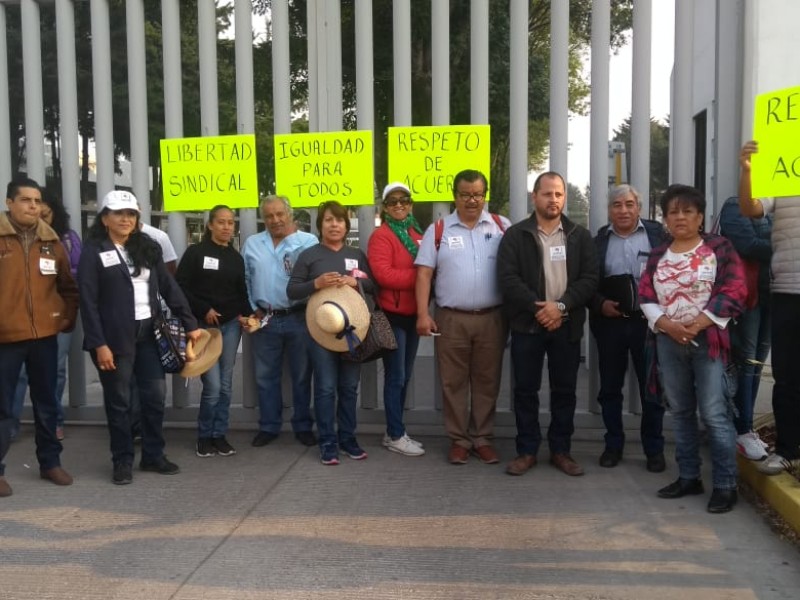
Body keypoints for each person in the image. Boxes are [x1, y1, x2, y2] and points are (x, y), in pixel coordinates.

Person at [78, 190, 201, 485]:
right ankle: (122, 461)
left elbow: (169, 287)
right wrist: (99, 344)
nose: (125, 219)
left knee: (155, 397)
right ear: (105, 217)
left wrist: (190, 322)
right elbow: (88, 301)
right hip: (114, 339)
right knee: (119, 402)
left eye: (130, 214)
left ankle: (153, 456)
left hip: (150, 333)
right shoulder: (94, 250)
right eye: (118, 213)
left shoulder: (147, 247)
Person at [639, 184, 745, 514]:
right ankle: (688, 476)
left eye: (688, 211)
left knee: (714, 414)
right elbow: (645, 295)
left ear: (700, 216)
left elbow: (735, 289)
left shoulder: (720, 248)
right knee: (681, 412)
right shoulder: (658, 253)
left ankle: (726, 485)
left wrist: (697, 324)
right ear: (665, 218)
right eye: (674, 212)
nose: (680, 217)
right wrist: (669, 327)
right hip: (669, 342)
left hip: (708, 342)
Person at [498, 171, 598, 477]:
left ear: (564, 197)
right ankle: (527, 450)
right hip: (528, 326)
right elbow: (507, 278)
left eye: (558, 194)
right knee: (525, 390)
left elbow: (590, 279)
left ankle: (561, 450)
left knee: (564, 390)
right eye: (547, 194)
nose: (553, 199)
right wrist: (538, 308)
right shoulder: (516, 235)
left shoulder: (580, 236)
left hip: (565, 324)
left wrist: (561, 307)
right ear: (534, 196)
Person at [415, 169, 511, 465]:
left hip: (492, 318)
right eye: (465, 194)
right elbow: (424, 273)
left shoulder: (501, 227)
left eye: (477, 194)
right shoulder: (439, 229)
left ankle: (482, 438)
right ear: (454, 196)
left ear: (485, 196)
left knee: (487, 380)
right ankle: (459, 439)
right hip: (451, 319)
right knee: (452, 382)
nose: (472, 200)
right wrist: (422, 314)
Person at [0, 177, 79, 497]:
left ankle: (50, 463)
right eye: (25, 200)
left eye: (36, 201)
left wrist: (64, 319)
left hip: (45, 336)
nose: (33, 206)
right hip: (5, 338)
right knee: (4, 407)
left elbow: (68, 287)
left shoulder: (52, 242)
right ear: (9, 203)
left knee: (47, 403)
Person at [287, 200, 375, 465]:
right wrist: (316, 283)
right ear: (320, 225)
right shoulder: (310, 255)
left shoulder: (357, 255)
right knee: (325, 388)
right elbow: (292, 291)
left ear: (347, 225)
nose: (334, 224)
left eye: (339, 220)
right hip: (320, 332)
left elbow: (373, 286)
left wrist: (355, 281)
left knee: (349, 387)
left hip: (353, 331)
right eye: (328, 220)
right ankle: (327, 441)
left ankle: (347, 438)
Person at [589, 185, 666, 472]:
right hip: (611, 324)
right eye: (617, 205)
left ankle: (654, 450)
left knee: (652, 390)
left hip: (650, 324)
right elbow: (586, 282)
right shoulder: (598, 240)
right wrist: (599, 304)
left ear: (639, 208)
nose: (623, 210)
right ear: (609, 210)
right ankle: (613, 445)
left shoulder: (658, 235)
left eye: (629, 204)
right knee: (610, 388)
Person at [738, 140, 800, 474]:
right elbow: (750, 208)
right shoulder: (784, 171)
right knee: (788, 375)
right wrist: (747, 171)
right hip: (788, 288)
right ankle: (789, 449)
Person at [241, 196, 318, 448]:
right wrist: (253, 309)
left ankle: (303, 426)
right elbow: (245, 279)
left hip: (299, 317)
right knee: (265, 376)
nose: (275, 220)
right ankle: (269, 426)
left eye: (279, 214)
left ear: (290, 214)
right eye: (269, 215)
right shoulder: (252, 243)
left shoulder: (308, 242)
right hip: (266, 319)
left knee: (301, 375)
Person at [176, 205, 250, 458]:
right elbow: (181, 287)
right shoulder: (195, 253)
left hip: (230, 327)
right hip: (204, 328)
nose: (227, 227)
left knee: (227, 385)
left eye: (230, 222)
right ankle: (204, 436)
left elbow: (241, 292)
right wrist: (203, 308)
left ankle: (219, 434)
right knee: (214, 386)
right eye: (221, 222)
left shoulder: (235, 258)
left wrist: (248, 315)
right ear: (210, 225)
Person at [11, 190, 82, 441]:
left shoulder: (63, 241)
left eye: (45, 211)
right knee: (17, 377)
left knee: (55, 373)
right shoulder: (10, 239)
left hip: (53, 320)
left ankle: (53, 426)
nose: (38, 213)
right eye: (29, 204)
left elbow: (74, 278)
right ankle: (11, 426)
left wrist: (68, 316)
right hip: (14, 323)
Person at [368, 182, 425, 457]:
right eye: (393, 202)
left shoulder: (416, 232)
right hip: (392, 315)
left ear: (411, 204)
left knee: (405, 376)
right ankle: (394, 434)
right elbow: (383, 275)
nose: (399, 205)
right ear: (385, 207)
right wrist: (422, 276)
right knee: (396, 376)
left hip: (413, 315)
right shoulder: (382, 236)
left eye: (404, 200)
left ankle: (396, 428)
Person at [716, 195, 772, 461]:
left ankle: (744, 428)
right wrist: (785, 243)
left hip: (774, 293)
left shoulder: (780, 208)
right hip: (746, 297)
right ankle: (741, 428)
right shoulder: (735, 204)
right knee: (745, 362)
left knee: (757, 364)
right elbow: (747, 245)